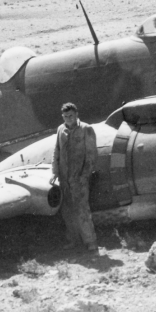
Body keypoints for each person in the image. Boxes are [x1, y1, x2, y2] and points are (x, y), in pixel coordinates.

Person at [50, 102, 99, 252]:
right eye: (65, 116)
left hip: (79, 178)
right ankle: (74, 240)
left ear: (76, 114)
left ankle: (91, 242)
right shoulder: (60, 130)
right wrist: (54, 172)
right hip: (64, 178)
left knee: (82, 210)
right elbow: (56, 152)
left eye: (70, 116)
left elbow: (92, 155)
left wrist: (84, 175)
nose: (68, 119)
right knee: (67, 210)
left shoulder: (86, 129)